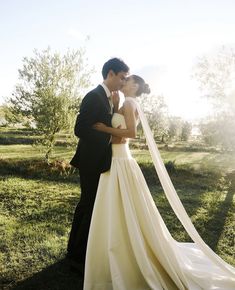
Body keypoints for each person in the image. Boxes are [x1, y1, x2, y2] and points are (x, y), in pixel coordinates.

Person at [83, 75, 235, 289]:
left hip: (120, 158)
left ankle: (125, 252)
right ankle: (118, 249)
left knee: (121, 206)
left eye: (126, 80)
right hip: (117, 159)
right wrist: (115, 107)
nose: (122, 82)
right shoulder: (126, 103)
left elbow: (130, 134)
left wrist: (104, 129)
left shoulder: (129, 102)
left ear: (134, 86)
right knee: (117, 207)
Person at [67, 58, 129, 276]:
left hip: (100, 160)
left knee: (90, 205)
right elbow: (80, 129)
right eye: (121, 77)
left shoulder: (108, 99)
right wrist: (106, 135)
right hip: (90, 161)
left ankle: (78, 252)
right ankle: (76, 257)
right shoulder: (93, 96)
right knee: (88, 205)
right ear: (110, 73)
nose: (123, 82)